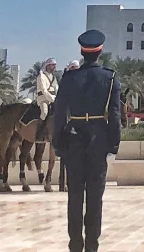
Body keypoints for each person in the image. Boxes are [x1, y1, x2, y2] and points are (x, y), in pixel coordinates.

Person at [52, 30, 121, 252]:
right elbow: (115, 115)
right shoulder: (109, 78)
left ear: (83, 52)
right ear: (100, 52)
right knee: (95, 198)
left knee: (74, 197)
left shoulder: (70, 78)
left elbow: (60, 113)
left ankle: (75, 245)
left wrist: (58, 142)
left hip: (73, 140)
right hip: (99, 140)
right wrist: (113, 145)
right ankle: (92, 246)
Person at [36, 58, 59, 141]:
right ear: (48, 65)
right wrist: (52, 98)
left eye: (55, 65)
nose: (54, 67)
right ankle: (39, 132)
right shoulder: (41, 76)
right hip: (43, 98)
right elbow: (44, 90)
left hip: (53, 98)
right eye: (53, 65)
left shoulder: (53, 77)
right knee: (44, 112)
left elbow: (56, 88)